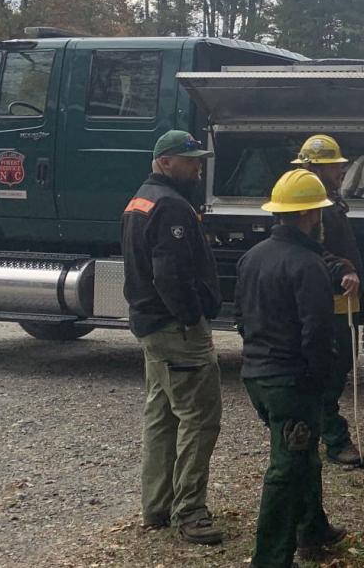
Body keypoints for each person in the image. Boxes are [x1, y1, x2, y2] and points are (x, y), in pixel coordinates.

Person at [235, 169, 349, 567]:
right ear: (308, 216)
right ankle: (271, 558)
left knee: (303, 456)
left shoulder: (252, 257)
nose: (320, 220)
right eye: (317, 213)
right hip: (291, 382)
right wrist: (320, 380)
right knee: (286, 468)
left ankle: (312, 527)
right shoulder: (307, 265)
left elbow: (240, 318)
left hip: (257, 377)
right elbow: (316, 332)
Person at [122, 130, 224, 545]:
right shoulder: (171, 207)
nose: (198, 167)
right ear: (165, 161)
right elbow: (169, 274)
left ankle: (157, 505)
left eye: (198, 160)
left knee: (162, 417)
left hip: (151, 327)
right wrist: (190, 317)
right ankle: (191, 513)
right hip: (174, 329)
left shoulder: (141, 200)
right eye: (190, 161)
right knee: (200, 420)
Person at [291, 134, 364, 467]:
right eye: (334, 167)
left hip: (342, 300)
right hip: (329, 301)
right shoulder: (310, 208)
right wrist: (343, 271)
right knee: (329, 373)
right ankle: (334, 439)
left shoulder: (328, 203)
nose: (341, 172)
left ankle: (316, 432)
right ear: (315, 168)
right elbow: (312, 255)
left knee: (340, 367)